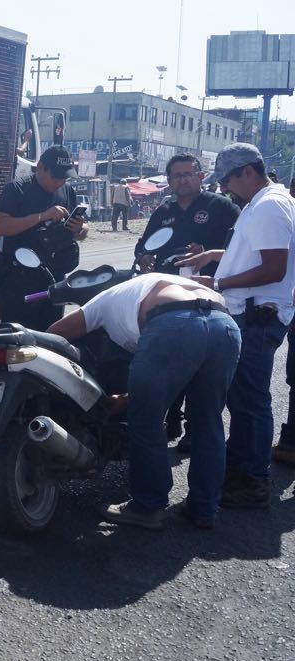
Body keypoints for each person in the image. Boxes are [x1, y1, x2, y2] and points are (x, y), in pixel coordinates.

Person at [47, 274, 239, 528]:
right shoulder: (149, 283)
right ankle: (204, 507)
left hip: (174, 323)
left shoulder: (102, 301)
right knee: (208, 420)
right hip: (224, 325)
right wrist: (129, 397)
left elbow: (54, 335)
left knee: (146, 420)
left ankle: (148, 505)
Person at [178, 143, 295, 510]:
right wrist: (216, 256)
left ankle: (253, 479)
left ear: (247, 171)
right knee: (244, 398)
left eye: (228, 181)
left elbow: (274, 267)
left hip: (258, 315)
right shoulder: (266, 201)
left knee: (249, 401)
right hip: (256, 312)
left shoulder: (268, 205)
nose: (226, 189)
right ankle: (243, 468)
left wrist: (220, 283)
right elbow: (261, 253)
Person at [132, 154, 240, 450]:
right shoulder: (164, 210)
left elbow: (241, 247)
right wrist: (143, 256)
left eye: (188, 173)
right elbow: (143, 244)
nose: (182, 179)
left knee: (202, 365)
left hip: (209, 294)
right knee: (170, 357)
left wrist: (208, 252)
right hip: (167, 295)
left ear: (201, 176)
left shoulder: (222, 207)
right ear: (168, 181)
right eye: (176, 175)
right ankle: (171, 419)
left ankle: (196, 430)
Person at [0, 145, 88, 331]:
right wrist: (42, 216)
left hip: (55, 282)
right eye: (55, 177)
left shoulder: (68, 192)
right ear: (41, 167)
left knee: (50, 339)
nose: (59, 183)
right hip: (20, 282)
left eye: (65, 178)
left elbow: (82, 232)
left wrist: (81, 229)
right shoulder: (17, 189)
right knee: (14, 343)